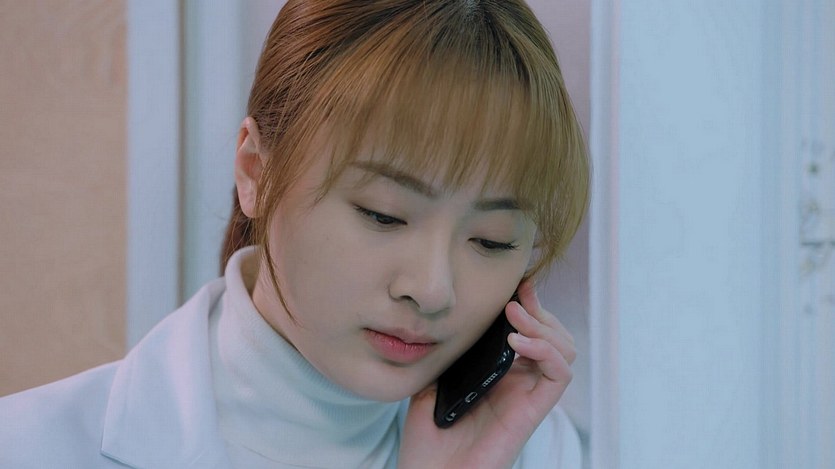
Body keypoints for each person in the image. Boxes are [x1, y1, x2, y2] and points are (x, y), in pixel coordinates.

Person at [0, 0, 589, 467]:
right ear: (255, 172)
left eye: (491, 241)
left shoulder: (537, 449)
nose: (432, 290)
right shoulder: (30, 448)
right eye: (383, 215)